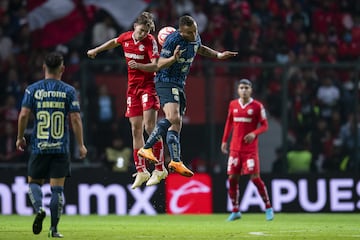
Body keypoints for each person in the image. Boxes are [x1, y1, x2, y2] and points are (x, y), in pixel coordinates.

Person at [138, 15, 238, 177]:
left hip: (179, 84)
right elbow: (159, 64)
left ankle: (176, 161)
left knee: (176, 123)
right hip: (166, 81)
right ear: (181, 31)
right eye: (189, 33)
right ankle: (147, 147)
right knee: (172, 117)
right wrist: (173, 59)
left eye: (194, 31)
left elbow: (200, 47)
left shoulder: (194, 35)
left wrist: (219, 55)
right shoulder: (172, 41)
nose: (192, 35)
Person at [87, 12, 167, 189]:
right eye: (141, 30)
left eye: (146, 31)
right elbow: (114, 42)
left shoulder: (150, 41)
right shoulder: (126, 37)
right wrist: (96, 50)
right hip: (132, 90)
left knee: (149, 127)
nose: (143, 34)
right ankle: (142, 170)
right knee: (135, 129)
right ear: (134, 27)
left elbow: (156, 65)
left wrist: (138, 66)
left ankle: (160, 168)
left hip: (148, 87)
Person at [16, 51, 87, 237]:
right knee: (57, 189)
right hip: (60, 148)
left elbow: (23, 115)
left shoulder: (32, 89)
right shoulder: (69, 91)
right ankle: (54, 230)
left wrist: (19, 137)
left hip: (39, 146)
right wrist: (81, 145)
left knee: (34, 183)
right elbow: (76, 119)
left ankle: (39, 208)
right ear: (62, 69)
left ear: (44, 68)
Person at [220, 79, 274, 221]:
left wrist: (253, 133)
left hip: (250, 150)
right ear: (238, 90)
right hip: (235, 149)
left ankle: (268, 207)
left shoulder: (257, 106)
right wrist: (224, 141)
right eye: (241, 88)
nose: (244, 90)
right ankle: (236, 210)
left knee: (255, 178)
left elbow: (265, 125)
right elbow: (229, 123)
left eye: (246, 87)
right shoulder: (233, 104)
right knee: (232, 178)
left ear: (251, 89)